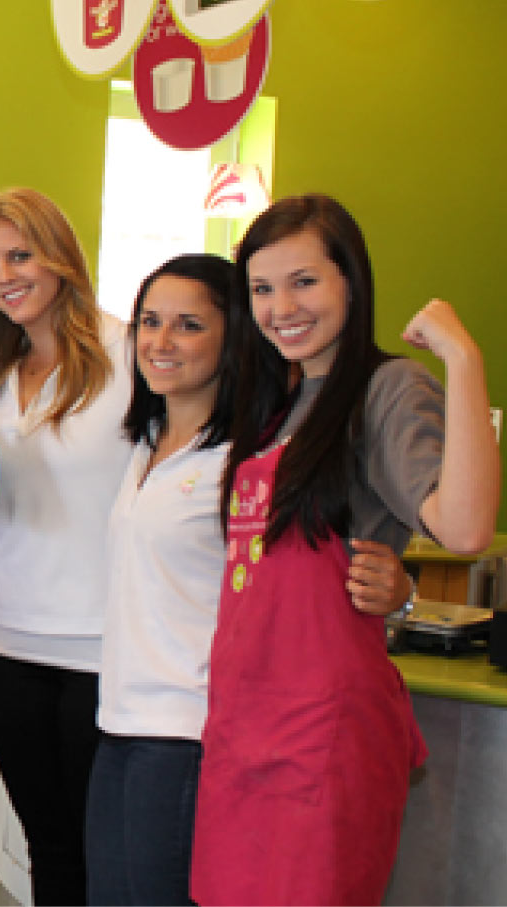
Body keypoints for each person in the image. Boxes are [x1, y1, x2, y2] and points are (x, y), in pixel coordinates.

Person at [192, 194, 499, 905]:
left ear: (350, 283)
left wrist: (462, 355)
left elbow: (465, 527)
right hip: (243, 727)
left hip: (323, 736)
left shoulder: (387, 388)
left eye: (304, 281)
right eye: (262, 289)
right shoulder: (276, 402)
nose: (280, 307)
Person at [86, 253, 411, 904]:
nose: (161, 341)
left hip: (187, 730)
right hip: (119, 720)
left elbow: (316, 572)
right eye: (149, 321)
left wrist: (399, 592)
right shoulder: (147, 440)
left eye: (188, 325)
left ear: (233, 336)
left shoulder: (249, 459)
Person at [0, 187, 136, 905]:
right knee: (48, 848)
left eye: (20, 255)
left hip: (104, 649)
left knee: (106, 852)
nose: (5, 276)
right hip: (10, 648)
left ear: (59, 254)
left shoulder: (131, 356)